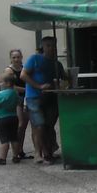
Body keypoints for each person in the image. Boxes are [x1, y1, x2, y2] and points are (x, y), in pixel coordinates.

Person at [21, 36, 62, 164]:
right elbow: (23, 75)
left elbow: (64, 78)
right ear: (43, 47)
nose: (51, 48)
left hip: (51, 97)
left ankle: (48, 152)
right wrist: (39, 86)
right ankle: (38, 154)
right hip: (34, 96)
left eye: (53, 45)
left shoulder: (57, 64)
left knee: (48, 125)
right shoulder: (35, 59)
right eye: (48, 45)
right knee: (39, 125)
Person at [0, 71, 21, 165]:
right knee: (14, 137)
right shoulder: (15, 93)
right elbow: (19, 103)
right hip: (13, 117)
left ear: (8, 83)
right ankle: (15, 156)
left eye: (1, 82)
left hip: (1, 119)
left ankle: (3, 159)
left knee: (4, 139)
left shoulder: (0, 94)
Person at [7, 49, 30, 158]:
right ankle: (15, 151)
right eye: (14, 57)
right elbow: (11, 86)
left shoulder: (25, 68)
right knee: (19, 125)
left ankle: (20, 150)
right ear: (10, 58)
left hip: (26, 98)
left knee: (24, 126)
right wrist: (28, 89)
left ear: (21, 57)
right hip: (16, 99)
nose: (16, 59)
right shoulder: (9, 70)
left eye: (18, 57)